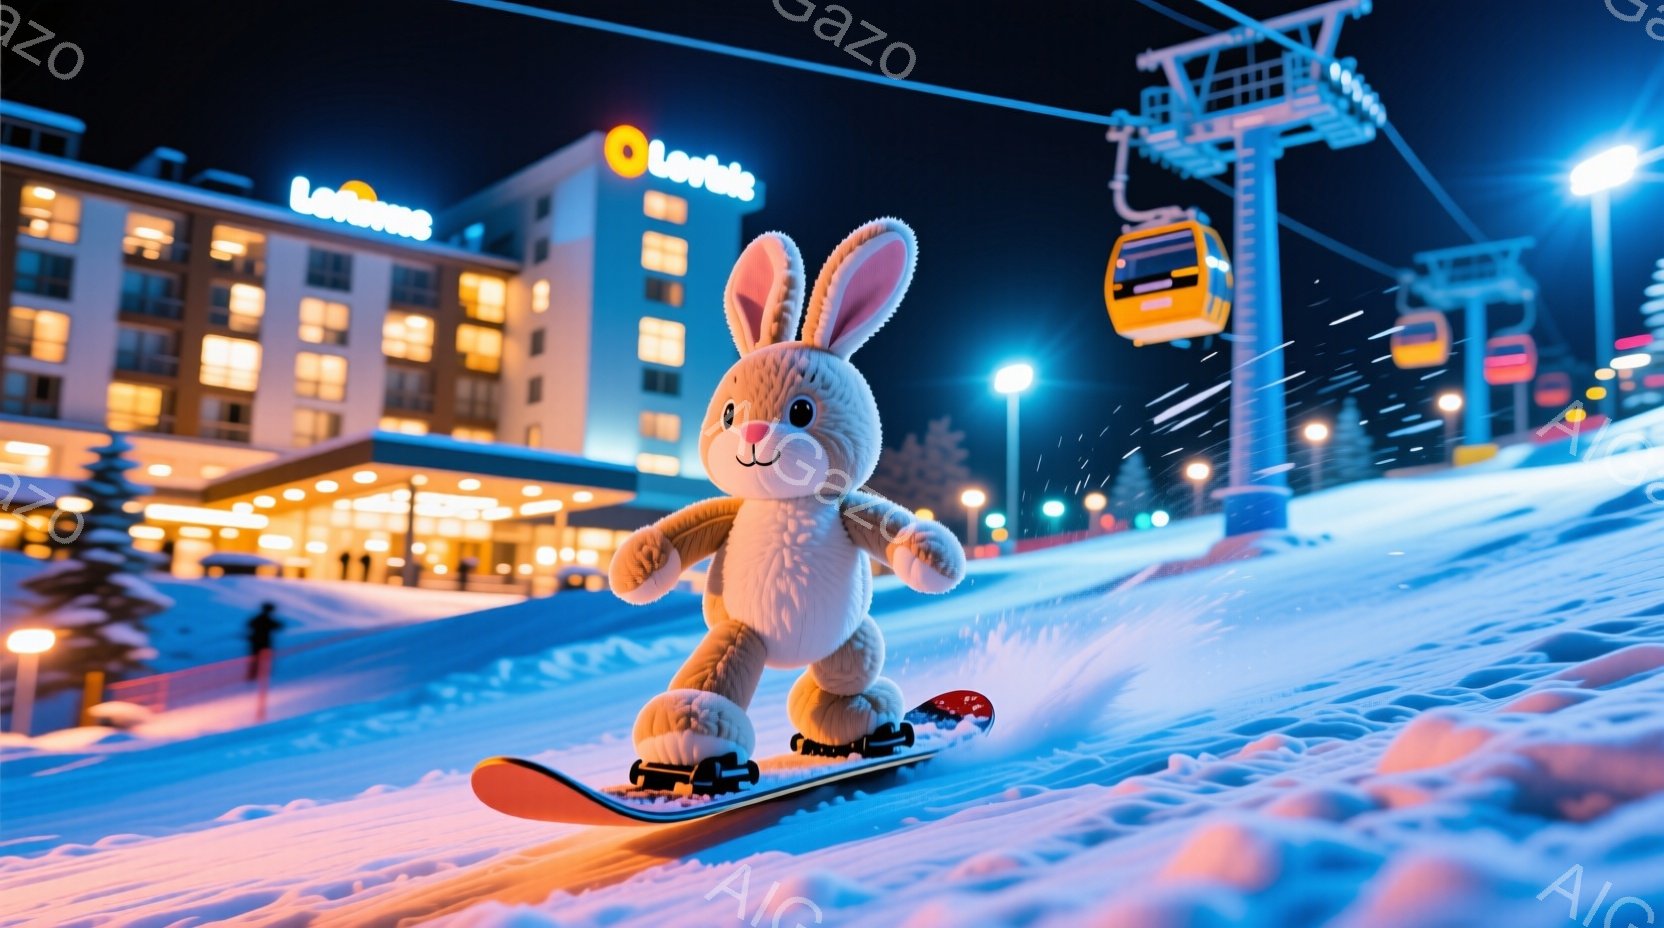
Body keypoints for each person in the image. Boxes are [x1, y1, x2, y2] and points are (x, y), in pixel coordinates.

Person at [245, 602, 285, 682]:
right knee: (263, 660)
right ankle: (260, 677)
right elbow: (279, 626)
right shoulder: (268, 620)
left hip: (255, 643)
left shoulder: (257, 619)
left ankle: (253, 676)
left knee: (255, 660)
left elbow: (249, 624)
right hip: (264, 643)